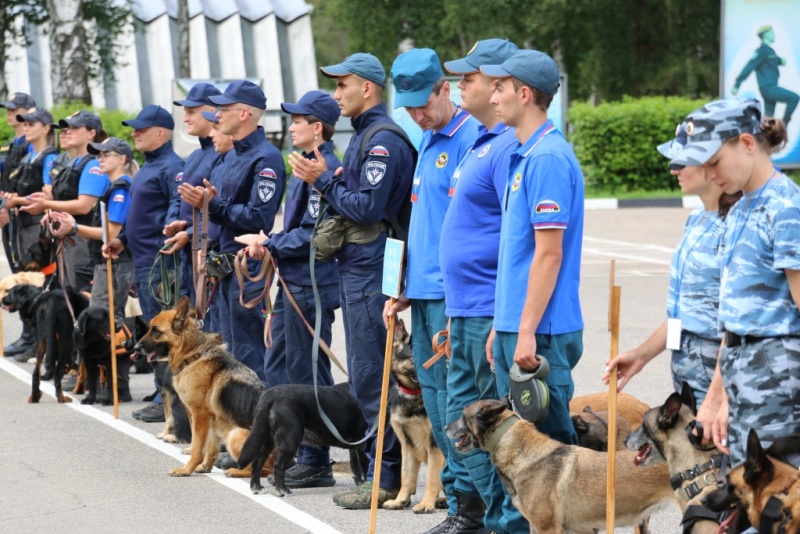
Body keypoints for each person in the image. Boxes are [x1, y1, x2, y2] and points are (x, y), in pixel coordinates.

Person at [290, 52, 415, 509]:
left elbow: (365, 209)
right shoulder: (364, 136)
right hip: (358, 266)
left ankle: (385, 479)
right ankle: (380, 473)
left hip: (371, 266)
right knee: (369, 377)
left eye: (343, 85)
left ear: (367, 87)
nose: (336, 93)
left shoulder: (382, 140)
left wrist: (324, 180)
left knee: (369, 378)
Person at [481, 50, 585, 533]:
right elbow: (520, 256)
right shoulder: (525, 153)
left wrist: (522, 331)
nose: (493, 96)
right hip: (518, 326)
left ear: (524, 94)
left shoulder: (546, 158)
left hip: (540, 332)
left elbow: (548, 254)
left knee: (544, 458)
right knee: (517, 458)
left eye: (499, 88)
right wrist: (502, 326)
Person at [668, 98, 800, 467]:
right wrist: (718, 399)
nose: (709, 175)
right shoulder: (741, 208)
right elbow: (735, 316)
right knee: (743, 491)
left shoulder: (786, 208)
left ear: (745, 143)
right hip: (741, 370)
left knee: (777, 499)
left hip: (778, 376)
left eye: (714, 162)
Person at [426, 38, 523, 534]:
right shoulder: (482, 142)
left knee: (487, 427)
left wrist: (498, 317)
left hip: (488, 309)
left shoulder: (509, 146)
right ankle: (477, 514)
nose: (461, 84)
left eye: (470, 77)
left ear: (503, 85)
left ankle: (500, 521)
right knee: (458, 421)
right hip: (463, 308)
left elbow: (515, 239)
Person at [382, 47, 479, 528]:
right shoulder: (427, 139)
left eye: (425, 102)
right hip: (421, 293)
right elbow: (424, 222)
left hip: (452, 295)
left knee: (454, 402)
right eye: (410, 106)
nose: (418, 114)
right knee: (436, 400)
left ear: (446, 88)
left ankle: (467, 509)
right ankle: (459, 507)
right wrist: (404, 284)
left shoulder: (470, 138)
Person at [236, 90, 342, 487]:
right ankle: (296, 451)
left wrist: (270, 243)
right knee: (281, 366)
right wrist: (272, 239)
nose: (292, 126)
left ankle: (317, 459)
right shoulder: (305, 166)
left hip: (311, 284)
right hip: (294, 281)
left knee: (306, 374)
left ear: (317, 128)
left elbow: (315, 235)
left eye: (299, 120)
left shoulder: (323, 169)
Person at [603, 124, 742, 408]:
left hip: (717, 372)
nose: (673, 170)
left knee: (717, 450)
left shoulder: (736, 226)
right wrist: (641, 356)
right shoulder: (696, 219)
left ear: (708, 165)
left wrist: (718, 398)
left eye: (680, 162)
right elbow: (684, 312)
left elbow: (736, 325)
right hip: (687, 366)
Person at [178, 80, 285, 382]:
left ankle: (256, 423)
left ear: (244, 114)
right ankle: (237, 422)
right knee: (227, 349)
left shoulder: (266, 157)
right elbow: (217, 215)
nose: (218, 114)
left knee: (248, 353)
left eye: (224, 108)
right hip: (222, 266)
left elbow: (257, 217)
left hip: (246, 267)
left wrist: (213, 204)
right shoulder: (228, 157)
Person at [104, 104, 185, 423]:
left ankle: (170, 397)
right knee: (154, 331)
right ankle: (160, 390)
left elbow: (174, 212)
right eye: (134, 129)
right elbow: (137, 214)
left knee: (164, 333)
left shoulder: (172, 167)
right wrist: (121, 239)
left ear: (161, 133)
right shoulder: (147, 167)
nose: (134, 133)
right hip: (143, 262)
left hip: (161, 265)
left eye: (141, 129)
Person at [50, 137, 138, 402]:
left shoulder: (121, 188)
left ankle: (117, 386)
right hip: (107, 261)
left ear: (122, 158)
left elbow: (111, 232)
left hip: (116, 263)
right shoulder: (113, 187)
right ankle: (109, 384)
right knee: (107, 320)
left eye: (105, 154)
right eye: (97, 155)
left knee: (107, 321)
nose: (99, 159)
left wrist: (74, 228)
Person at [25, 110, 109, 292]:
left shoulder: (94, 163)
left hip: (84, 242)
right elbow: (59, 196)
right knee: (68, 296)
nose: (66, 132)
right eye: (65, 129)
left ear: (91, 133)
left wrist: (47, 205)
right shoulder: (71, 160)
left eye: (74, 128)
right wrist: (50, 210)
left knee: (83, 298)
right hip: (67, 241)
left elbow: (84, 206)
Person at [162, 82, 223, 305]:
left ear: (211, 111)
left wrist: (189, 232)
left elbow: (217, 206)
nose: (185, 118)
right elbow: (178, 196)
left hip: (208, 253)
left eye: (191, 112)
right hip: (189, 253)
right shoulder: (196, 155)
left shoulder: (222, 154)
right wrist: (175, 223)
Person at [0, 92, 36, 357]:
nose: (10, 113)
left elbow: (31, 186)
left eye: (16, 109)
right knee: (18, 274)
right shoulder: (15, 143)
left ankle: (33, 335)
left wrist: (11, 211)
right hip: (11, 216)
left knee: (28, 277)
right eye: (9, 109)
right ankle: (28, 333)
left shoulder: (31, 143)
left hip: (26, 219)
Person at [4, 107, 58, 269]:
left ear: (46, 128)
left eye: (31, 124)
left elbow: (48, 196)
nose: (26, 128)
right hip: (21, 224)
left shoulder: (50, 156)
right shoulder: (28, 157)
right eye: (25, 124)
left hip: (38, 226)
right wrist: (9, 197)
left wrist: (14, 200)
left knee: (37, 276)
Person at [732, 25, 798, 127]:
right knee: (794, 98)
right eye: (771, 33)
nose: (773, 35)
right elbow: (748, 67)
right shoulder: (761, 52)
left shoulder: (770, 52)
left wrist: (781, 61)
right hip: (769, 88)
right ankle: (784, 124)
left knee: (767, 121)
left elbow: (774, 60)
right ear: (765, 35)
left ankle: (763, 138)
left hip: (770, 88)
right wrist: (737, 84)